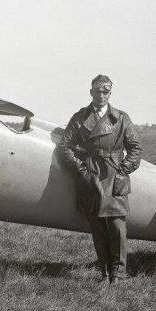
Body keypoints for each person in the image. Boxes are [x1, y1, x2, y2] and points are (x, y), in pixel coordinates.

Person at [57, 75, 142, 284]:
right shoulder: (80, 118)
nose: (101, 95)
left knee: (117, 227)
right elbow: (64, 148)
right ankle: (104, 274)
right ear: (91, 92)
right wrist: (81, 170)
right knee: (97, 229)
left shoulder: (121, 118)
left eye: (106, 91)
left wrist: (123, 171)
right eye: (98, 91)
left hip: (114, 174)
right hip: (91, 175)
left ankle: (118, 275)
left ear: (110, 94)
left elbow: (135, 149)